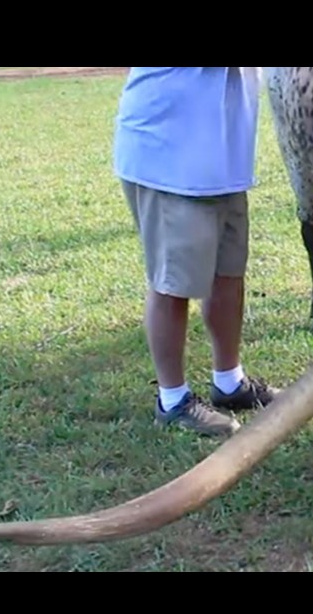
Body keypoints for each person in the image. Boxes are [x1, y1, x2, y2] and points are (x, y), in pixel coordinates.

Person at [113, 66, 279, 437]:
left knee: (228, 273)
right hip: (171, 159)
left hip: (220, 158)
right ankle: (172, 400)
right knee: (173, 282)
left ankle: (229, 382)